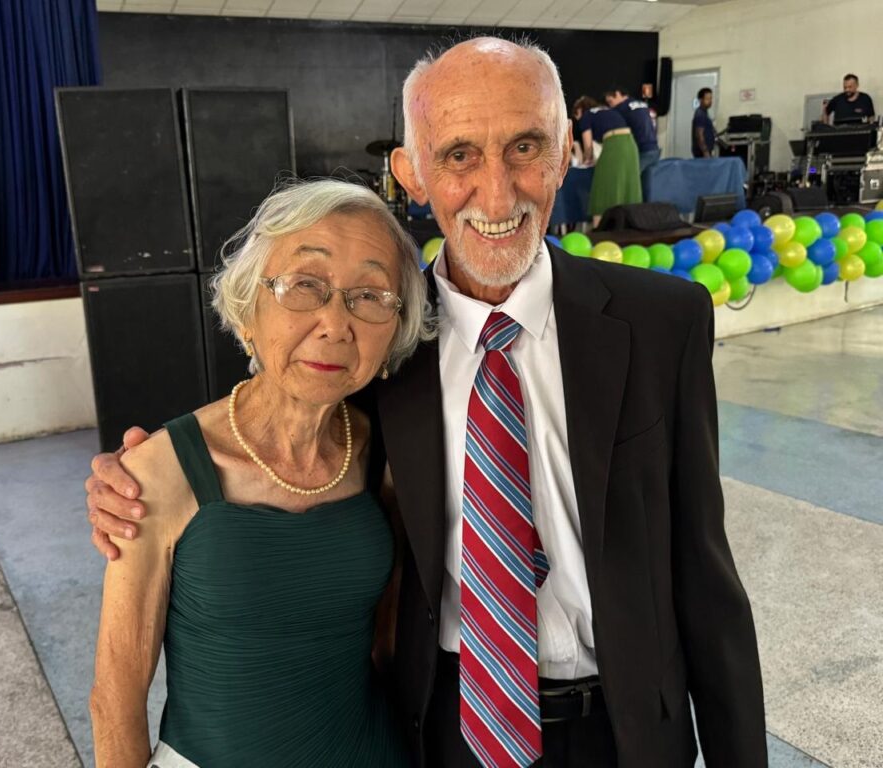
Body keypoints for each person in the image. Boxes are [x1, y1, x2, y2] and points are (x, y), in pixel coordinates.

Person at [87, 37, 767, 768]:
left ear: (567, 151)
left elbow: (706, 577)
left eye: (526, 146)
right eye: (460, 156)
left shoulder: (662, 324)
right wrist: (140, 478)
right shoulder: (382, 354)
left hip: (626, 733)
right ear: (412, 174)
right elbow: (276, 415)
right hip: (445, 731)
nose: (498, 194)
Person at [89, 179, 433, 767]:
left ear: (396, 333)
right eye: (305, 285)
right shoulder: (160, 470)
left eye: (371, 296)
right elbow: (115, 701)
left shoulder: (385, 453)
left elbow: (388, 640)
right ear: (249, 309)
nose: (334, 323)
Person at [572, 95, 642, 226]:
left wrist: (587, 159)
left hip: (614, 143)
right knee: (627, 187)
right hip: (631, 144)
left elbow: (588, 146)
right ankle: (628, 229)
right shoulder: (607, 111)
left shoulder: (586, 116)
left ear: (580, 110)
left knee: (601, 187)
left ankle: (599, 229)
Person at [604, 86, 661, 173]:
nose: (610, 106)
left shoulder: (621, 109)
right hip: (654, 148)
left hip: (641, 151)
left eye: (610, 102)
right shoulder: (642, 104)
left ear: (618, 94)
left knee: (630, 179)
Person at [692, 88, 716, 158]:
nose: (710, 101)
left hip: (705, 152)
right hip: (702, 154)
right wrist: (705, 152)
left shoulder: (705, 113)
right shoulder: (700, 114)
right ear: (700, 100)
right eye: (707, 99)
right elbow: (699, 135)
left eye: (711, 98)